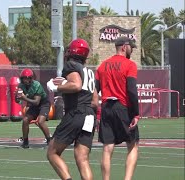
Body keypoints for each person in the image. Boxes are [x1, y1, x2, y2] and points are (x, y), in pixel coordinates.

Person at [46, 39, 99, 180]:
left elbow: (76, 85)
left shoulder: (71, 65)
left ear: (71, 52)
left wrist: (57, 87)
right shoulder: (89, 72)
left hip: (76, 112)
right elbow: (95, 101)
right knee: (82, 158)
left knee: (52, 152)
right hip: (90, 115)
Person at [95, 36, 140, 180]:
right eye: (131, 47)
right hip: (123, 109)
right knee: (132, 145)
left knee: (107, 148)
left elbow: (95, 91)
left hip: (107, 108)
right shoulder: (129, 64)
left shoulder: (102, 66)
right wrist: (136, 114)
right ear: (124, 47)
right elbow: (132, 91)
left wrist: (97, 113)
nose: (131, 50)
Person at [16, 68, 51, 149]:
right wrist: (17, 97)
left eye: (28, 78)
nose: (26, 80)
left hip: (43, 104)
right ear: (22, 79)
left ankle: (49, 141)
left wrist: (24, 98)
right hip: (33, 105)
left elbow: (37, 102)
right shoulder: (20, 86)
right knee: (25, 120)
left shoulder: (36, 85)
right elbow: (17, 101)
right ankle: (25, 142)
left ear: (32, 78)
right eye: (25, 78)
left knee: (40, 121)